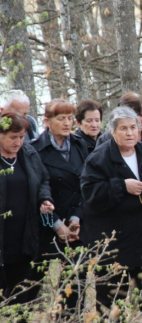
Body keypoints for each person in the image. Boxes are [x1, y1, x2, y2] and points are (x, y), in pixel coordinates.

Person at [81, 106, 142, 323]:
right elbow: (90, 194)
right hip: (114, 240)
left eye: (133, 127)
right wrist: (121, 185)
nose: (129, 133)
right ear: (113, 132)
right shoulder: (99, 158)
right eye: (123, 128)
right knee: (112, 294)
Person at [0, 111, 54, 309]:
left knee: (21, 287)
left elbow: (43, 180)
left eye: (21, 137)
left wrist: (44, 199)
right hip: (2, 234)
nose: (18, 142)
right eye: (12, 137)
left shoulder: (29, 155)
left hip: (24, 234)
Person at [31, 99, 88, 255]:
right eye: (61, 118)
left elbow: (85, 183)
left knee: (77, 276)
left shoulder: (79, 144)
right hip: (47, 226)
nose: (67, 123)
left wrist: (76, 218)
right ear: (47, 121)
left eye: (70, 118)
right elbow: (36, 194)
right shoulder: (34, 149)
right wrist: (56, 225)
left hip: (76, 224)